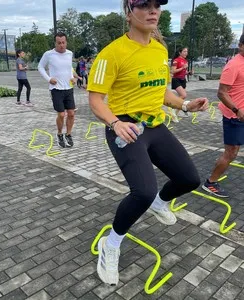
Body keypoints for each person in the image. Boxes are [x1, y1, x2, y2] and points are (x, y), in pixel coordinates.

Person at [87, 0, 208, 286]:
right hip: (125, 128)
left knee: (189, 179)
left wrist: (186, 105)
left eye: (157, 5)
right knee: (141, 191)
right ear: (129, 12)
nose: (153, 10)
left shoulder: (159, 49)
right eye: (145, 4)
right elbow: (94, 100)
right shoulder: (111, 53)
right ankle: (111, 244)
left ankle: (160, 202)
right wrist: (115, 123)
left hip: (155, 126)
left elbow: (161, 91)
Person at [202, 34, 244, 198]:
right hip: (234, 115)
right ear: (240, 45)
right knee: (231, 152)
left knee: (235, 149)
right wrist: (237, 110)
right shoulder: (233, 65)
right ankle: (210, 182)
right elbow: (221, 93)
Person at [38, 32, 76, 148]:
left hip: (68, 87)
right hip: (56, 89)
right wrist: (49, 79)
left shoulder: (69, 53)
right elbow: (40, 67)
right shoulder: (49, 54)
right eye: (59, 43)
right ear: (55, 43)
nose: (61, 45)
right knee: (61, 114)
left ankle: (68, 134)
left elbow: (69, 67)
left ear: (66, 42)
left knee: (71, 113)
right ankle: (59, 134)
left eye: (63, 42)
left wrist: (72, 77)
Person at [170, 47, 191, 122]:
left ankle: (175, 114)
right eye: (184, 51)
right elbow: (173, 71)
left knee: (182, 98)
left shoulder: (185, 60)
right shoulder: (176, 60)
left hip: (183, 80)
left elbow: (183, 72)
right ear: (180, 52)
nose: (186, 53)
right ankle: (172, 109)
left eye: (187, 51)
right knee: (183, 95)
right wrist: (182, 67)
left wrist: (189, 72)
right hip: (176, 80)